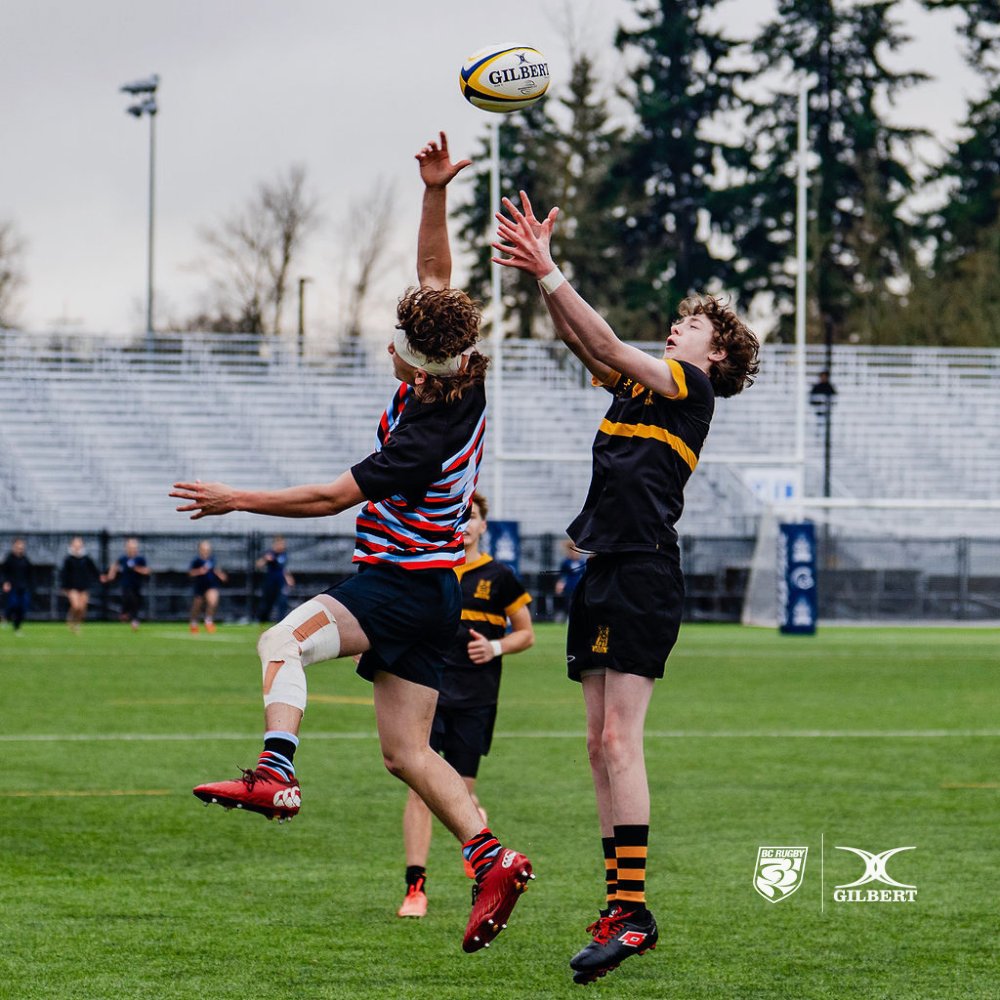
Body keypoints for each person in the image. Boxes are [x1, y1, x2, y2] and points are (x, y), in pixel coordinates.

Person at [170, 133, 533, 954]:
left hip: (399, 584)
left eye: (396, 350)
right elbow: (437, 282)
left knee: (280, 639)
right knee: (407, 753)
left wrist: (239, 499)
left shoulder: (424, 439)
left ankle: (277, 773)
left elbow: (334, 495)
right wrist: (436, 192)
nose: (388, 352)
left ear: (417, 366)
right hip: (432, 593)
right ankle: (492, 858)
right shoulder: (462, 367)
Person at [493, 191, 760, 984]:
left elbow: (605, 335)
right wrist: (542, 281)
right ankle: (620, 905)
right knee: (594, 746)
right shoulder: (637, 387)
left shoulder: (692, 389)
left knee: (619, 741)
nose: (677, 326)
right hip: (604, 566)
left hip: (645, 568)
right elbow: (588, 341)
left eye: (692, 327)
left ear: (713, 356)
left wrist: (550, 268)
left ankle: (635, 911)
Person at [397, 490, 534, 919]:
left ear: (483, 525)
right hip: (426, 692)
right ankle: (415, 888)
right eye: (459, 516)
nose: (466, 523)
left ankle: (473, 822)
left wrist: (494, 647)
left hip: (475, 698)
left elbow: (526, 633)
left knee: (458, 793)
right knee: (420, 791)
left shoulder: (500, 576)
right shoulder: (430, 569)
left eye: (472, 516)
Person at [103, 537, 150, 630]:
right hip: (126, 584)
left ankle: (132, 618)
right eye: (130, 546)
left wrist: (136, 568)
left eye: (134, 547)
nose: (132, 549)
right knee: (129, 598)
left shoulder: (140, 559)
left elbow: (147, 571)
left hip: (136, 585)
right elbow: (114, 566)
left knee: (136, 602)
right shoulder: (123, 558)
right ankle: (127, 615)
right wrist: (109, 576)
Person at [59, 536, 101, 633]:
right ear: (72, 545)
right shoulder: (68, 559)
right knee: (76, 606)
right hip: (72, 586)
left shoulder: (86, 558)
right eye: (75, 543)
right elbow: (64, 574)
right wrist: (63, 587)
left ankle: (77, 624)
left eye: (79, 543)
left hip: (84, 586)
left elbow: (94, 570)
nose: (78, 545)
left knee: (82, 608)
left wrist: (100, 577)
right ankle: (70, 618)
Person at [188, 540, 228, 633]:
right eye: (204, 549)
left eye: (208, 549)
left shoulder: (213, 559)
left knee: (213, 601)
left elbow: (216, 569)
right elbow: (190, 573)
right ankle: (194, 623)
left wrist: (221, 575)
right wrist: (199, 571)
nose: (206, 551)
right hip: (200, 585)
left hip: (211, 585)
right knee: (197, 606)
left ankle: (208, 621)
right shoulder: (196, 560)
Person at [256, 535, 295, 624]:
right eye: (280, 544)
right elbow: (258, 565)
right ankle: (262, 620)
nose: (282, 546)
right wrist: (265, 559)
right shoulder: (270, 553)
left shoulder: (284, 554)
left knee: (282, 601)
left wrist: (288, 578)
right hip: (270, 581)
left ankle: (280, 621)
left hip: (281, 582)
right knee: (267, 603)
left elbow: (283, 568)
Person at [2, 538, 33, 634]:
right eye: (18, 545)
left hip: (23, 587)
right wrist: (5, 582)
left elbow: (30, 574)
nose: (20, 547)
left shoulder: (25, 559)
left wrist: (31, 586)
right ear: (14, 546)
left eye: (22, 545)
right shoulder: (9, 559)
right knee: (13, 604)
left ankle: (17, 627)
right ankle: (6, 617)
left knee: (22, 607)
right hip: (13, 586)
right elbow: (3, 572)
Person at [554, 539, 587, 623]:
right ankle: (569, 618)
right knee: (569, 602)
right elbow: (562, 574)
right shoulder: (566, 562)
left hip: (579, 584)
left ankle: (581, 618)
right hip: (570, 585)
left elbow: (585, 573)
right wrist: (560, 584)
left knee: (581, 602)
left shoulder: (582, 561)